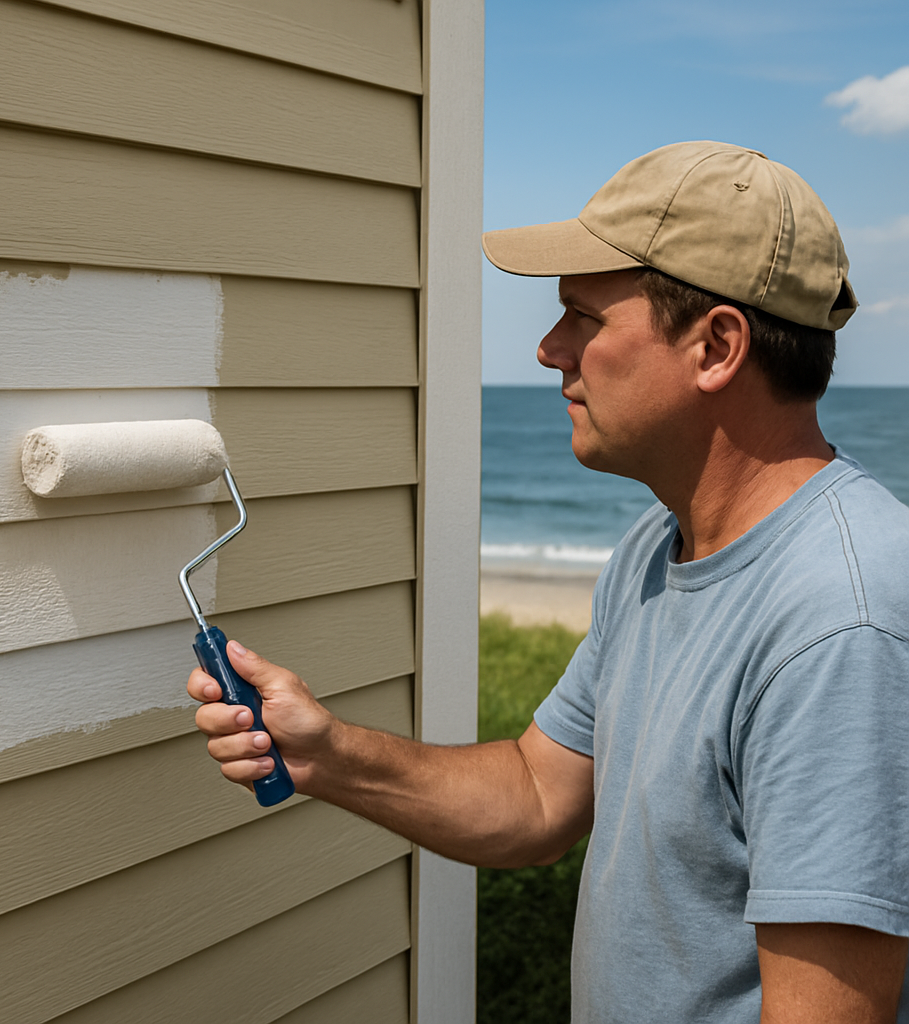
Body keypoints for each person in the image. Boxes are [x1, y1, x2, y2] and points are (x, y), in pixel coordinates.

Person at [187, 141, 909, 1023]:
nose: (546, 348)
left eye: (584, 318)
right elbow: (536, 795)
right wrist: (327, 754)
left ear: (717, 346)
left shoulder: (843, 624)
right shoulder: (659, 543)